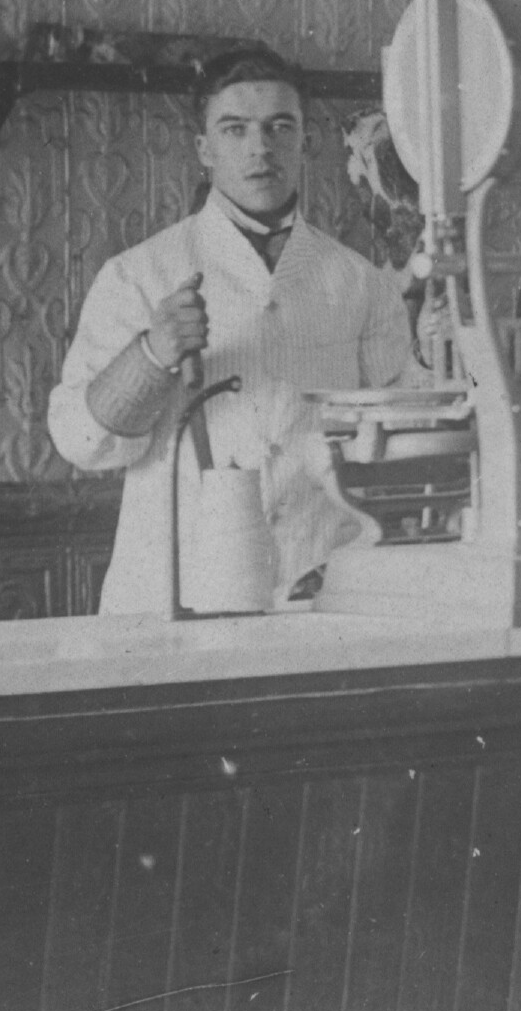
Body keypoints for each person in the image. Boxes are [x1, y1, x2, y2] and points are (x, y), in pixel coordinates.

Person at [50, 46, 417, 613]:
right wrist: (151, 355)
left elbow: (401, 439)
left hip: (324, 590)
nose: (259, 148)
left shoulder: (361, 284)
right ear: (205, 149)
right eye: (235, 129)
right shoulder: (139, 275)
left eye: (279, 127)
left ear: (305, 143)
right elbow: (81, 442)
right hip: (177, 592)